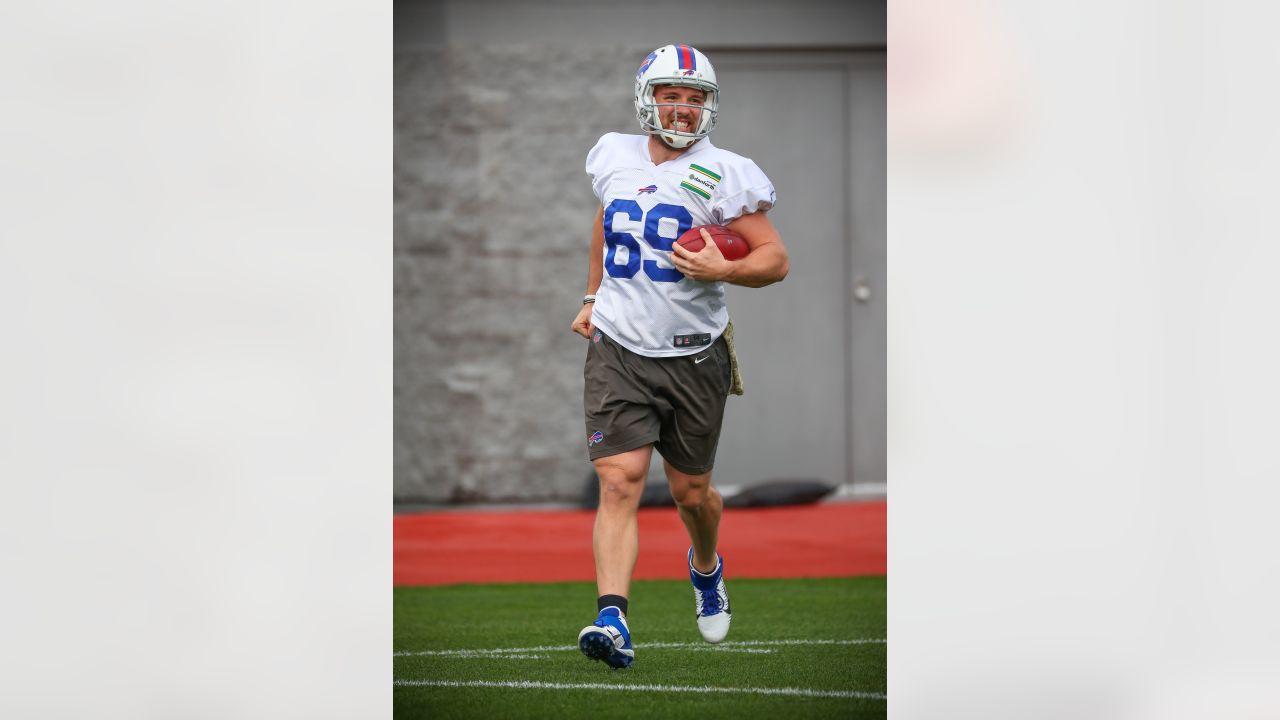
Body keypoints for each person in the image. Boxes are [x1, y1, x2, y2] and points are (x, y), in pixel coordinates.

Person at [570, 44, 790, 669]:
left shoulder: (728, 172)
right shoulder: (613, 153)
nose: (685, 109)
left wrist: (729, 267)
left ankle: (705, 566)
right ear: (648, 98)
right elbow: (607, 220)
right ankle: (613, 619)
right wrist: (592, 292)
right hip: (617, 344)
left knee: (692, 495)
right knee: (620, 480)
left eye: (696, 99)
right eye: (674, 96)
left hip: (694, 356)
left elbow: (775, 258)